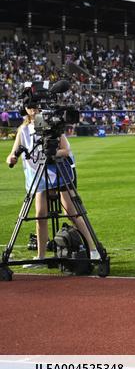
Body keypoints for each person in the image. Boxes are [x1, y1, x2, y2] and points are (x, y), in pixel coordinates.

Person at [6, 106, 98, 267]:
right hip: (38, 176)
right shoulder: (23, 130)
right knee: (40, 215)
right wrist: (11, 159)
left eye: (35, 106)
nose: (33, 109)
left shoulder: (52, 126)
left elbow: (66, 150)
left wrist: (52, 154)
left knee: (71, 213)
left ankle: (93, 250)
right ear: (25, 110)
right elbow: (13, 153)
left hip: (59, 173)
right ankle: (41, 257)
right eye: (29, 107)